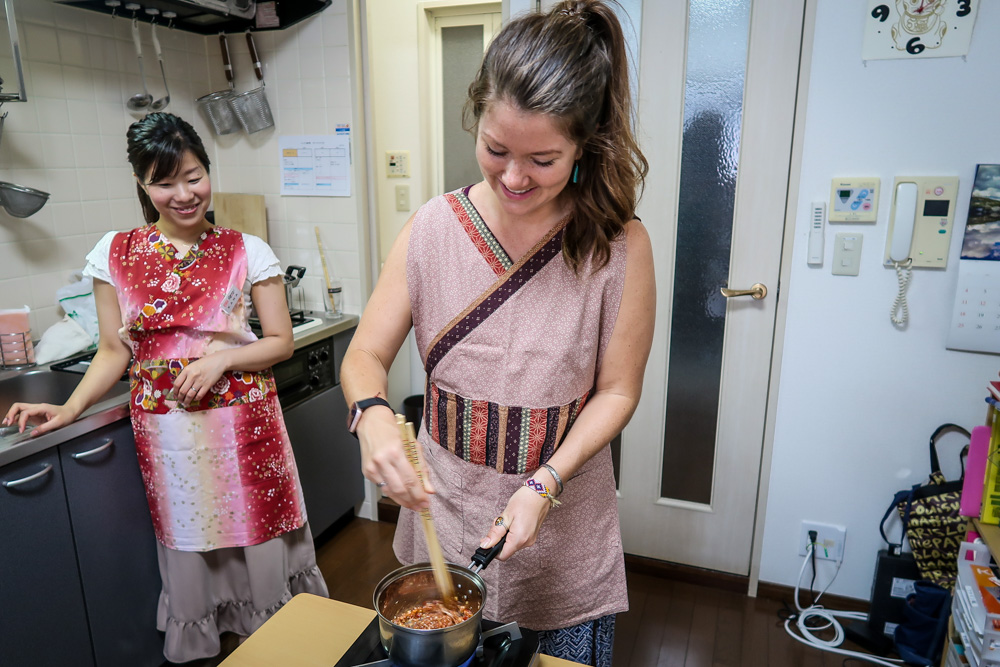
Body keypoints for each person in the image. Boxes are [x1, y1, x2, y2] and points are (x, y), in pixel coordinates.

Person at [340, 2, 654, 665]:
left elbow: (619, 391)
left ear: (585, 145)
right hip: (446, 514)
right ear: (476, 118)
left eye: (542, 159)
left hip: (562, 521)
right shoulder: (432, 228)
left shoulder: (617, 245)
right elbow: (366, 352)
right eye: (495, 149)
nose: (514, 178)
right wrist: (369, 414)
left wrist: (543, 484)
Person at [2, 113, 328, 664]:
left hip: (246, 428)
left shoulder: (246, 249)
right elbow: (114, 349)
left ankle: (279, 646)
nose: (184, 194)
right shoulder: (115, 254)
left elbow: (279, 342)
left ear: (207, 169)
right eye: (164, 182)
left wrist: (223, 358)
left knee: (258, 534)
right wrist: (70, 406)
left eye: (194, 175)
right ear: (142, 185)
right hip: (168, 434)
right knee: (191, 541)